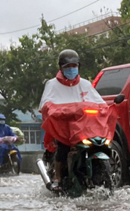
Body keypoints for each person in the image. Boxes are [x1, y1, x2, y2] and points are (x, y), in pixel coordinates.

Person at [39, 49, 105, 190]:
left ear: (78, 66)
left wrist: (105, 109)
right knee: (63, 147)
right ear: (61, 68)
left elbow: (99, 102)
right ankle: (57, 176)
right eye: (67, 67)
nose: (71, 70)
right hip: (64, 128)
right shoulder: (52, 84)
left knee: (101, 143)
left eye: (74, 66)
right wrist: (54, 110)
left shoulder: (85, 84)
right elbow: (46, 104)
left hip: (84, 127)